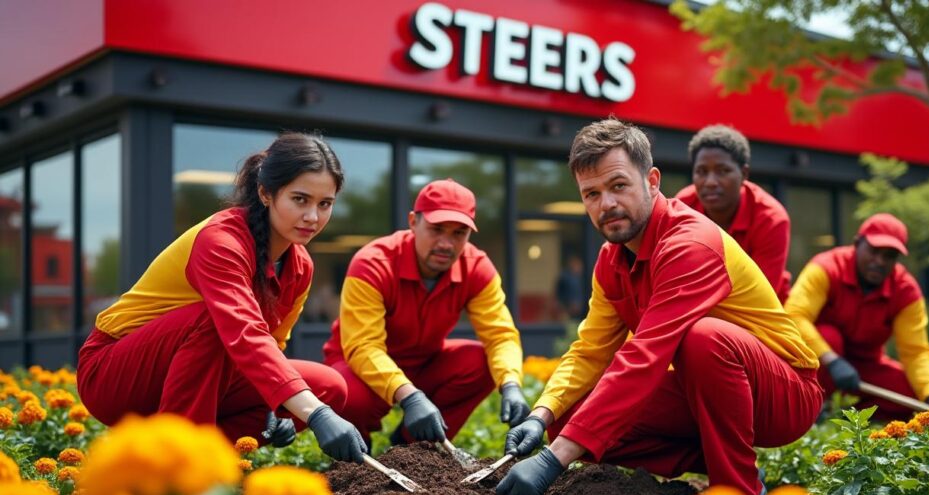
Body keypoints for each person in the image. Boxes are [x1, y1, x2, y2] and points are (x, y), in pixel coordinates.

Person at [496, 118, 823, 495]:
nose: (607, 204)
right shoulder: (611, 260)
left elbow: (645, 355)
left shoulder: (691, 245)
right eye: (592, 194)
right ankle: (732, 463)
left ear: (652, 181)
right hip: (704, 389)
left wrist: (552, 462)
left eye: (619, 186)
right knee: (573, 419)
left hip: (783, 393)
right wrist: (541, 415)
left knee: (704, 339)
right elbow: (590, 351)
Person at [78, 133, 367, 463]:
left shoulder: (300, 267)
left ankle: (188, 458)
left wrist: (282, 403)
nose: (313, 217)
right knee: (216, 321)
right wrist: (315, 414)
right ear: (265, 193)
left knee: (328, 386)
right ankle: (176, 470)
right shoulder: (221, 242)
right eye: (300, 199)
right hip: (114, 374)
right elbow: (245, 334)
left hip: (201, 374)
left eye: (324, 204)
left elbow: (272, 344)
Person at [323, 179, 528, 446]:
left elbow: (500, 336)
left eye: (459, 233)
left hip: (425, 362)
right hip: (359, 364)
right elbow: (363, 346)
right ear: (412, 222)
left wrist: (511, 384)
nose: (446, 243)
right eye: (437, 229)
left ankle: (417, 448)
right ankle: (356, 460)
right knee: (349, 395)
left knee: (480, 363)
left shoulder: (476, 267)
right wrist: (410, 396)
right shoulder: (372, 263)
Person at [784, 214, 929, 419]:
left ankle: (844, 412)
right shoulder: (826, 268)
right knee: (830, 336)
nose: (879, 261)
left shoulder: (905, 291)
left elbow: (916, 351)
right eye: (874, 251)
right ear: (857, 244)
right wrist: (833, 361)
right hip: (821, 365)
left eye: (889, 256)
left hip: (865, 370)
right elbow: (794, 315)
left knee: (914, 396)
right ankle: (813, 405)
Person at [676, 125, 792, 301]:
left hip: (762, 311)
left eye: (723, 171)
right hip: (698, 304)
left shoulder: (771, 219)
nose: (710, 182)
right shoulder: (683, 206)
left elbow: (760, 297)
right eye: (701, 171)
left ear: (744, 174)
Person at [555, 254, 585, 320]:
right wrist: (567, 305)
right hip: (568, 310)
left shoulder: (585, 277)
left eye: (579, 264)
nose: (577, 266)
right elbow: (559, 293)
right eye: (575, 264)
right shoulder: (564, 277)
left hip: (584, 310)